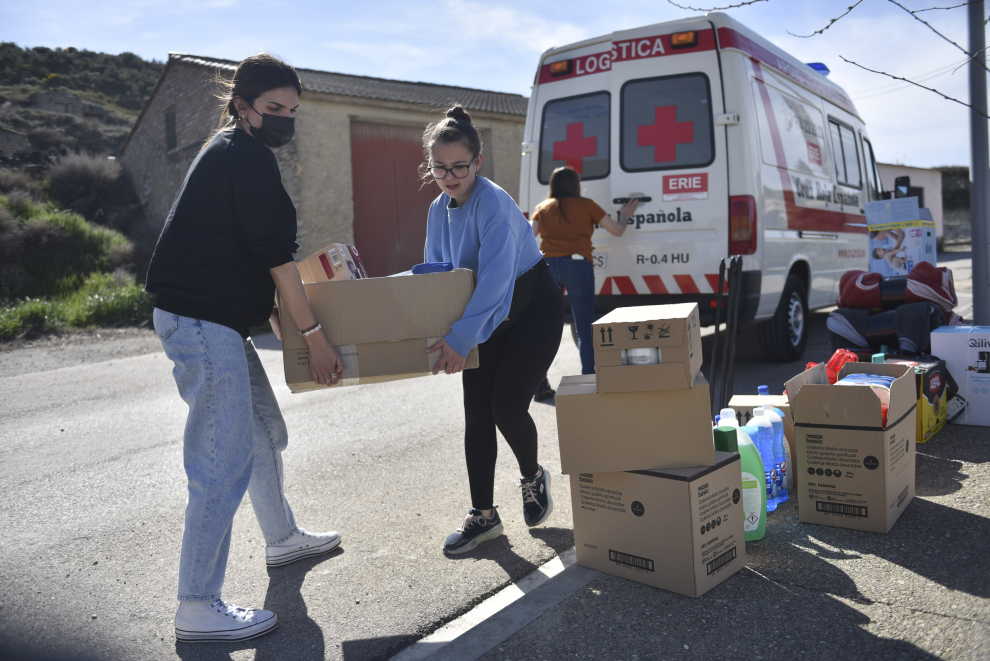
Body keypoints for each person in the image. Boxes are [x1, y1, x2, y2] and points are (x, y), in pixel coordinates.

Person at [146, 53, 344, 643]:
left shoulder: (233, 152)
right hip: (200, 323)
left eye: (293, 111)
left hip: (219, 322)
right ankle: (197, 604)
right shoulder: (245, 157)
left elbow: (253, 258)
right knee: (221, 461)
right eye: (274, 109)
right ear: (241, 106)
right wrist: (314, 337)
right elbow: (279, 263)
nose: (285, 119)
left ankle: (281, 537)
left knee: (263, 430)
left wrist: (290, 329)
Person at [422, 106, 565, 554]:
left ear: (477, 162)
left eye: (459, 167)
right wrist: (432, 330)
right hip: (487, 313)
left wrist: (462, 339)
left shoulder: (495, 205)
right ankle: (483, 517)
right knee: (476, 414)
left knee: (506, 406)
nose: (450, 176)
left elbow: (499, 281)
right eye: (439, 168)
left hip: (531, 308)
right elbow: (437, 275)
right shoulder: (438, 208)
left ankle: (531, 476)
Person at [530, 166, 639, 384]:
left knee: (544, 329)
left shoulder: (543, 207)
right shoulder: (587, 206)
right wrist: (625, 216)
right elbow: (617, 230)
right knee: (584, 329)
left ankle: (539, 383)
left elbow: (528, 238)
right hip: (579, 266)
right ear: (575, 184)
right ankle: (589, 380)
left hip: (548, 266)